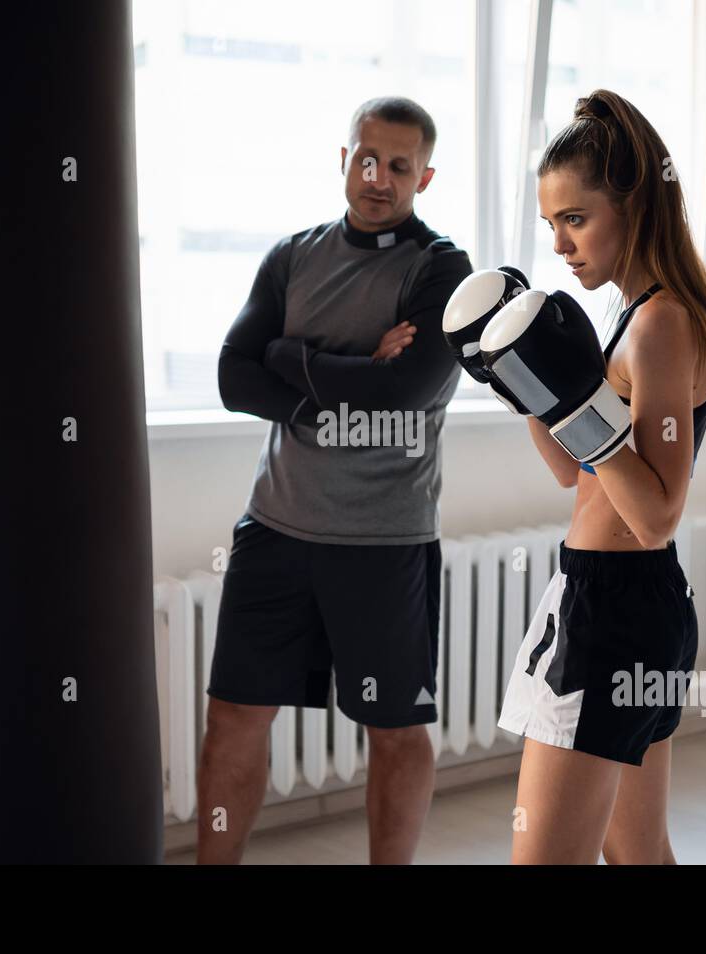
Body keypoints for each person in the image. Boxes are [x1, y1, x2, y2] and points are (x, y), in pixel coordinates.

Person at [197, 96, 473, 864]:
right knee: (233, 718)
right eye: (365, 157)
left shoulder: (441, 269)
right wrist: (345, 379)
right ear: (343, 157)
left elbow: (405, 392)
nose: (377, 176)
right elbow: (230, 377)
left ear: (425, 174)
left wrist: (292, 357)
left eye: (398, 165)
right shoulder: (293, 255)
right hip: (275, 527)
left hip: (384, 541)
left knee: (395, 731)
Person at [490, 90, 706, 864]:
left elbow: (657, 510)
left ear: (634, 204)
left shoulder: (662, 322)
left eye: (576, 218)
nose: (560, 243)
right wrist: (520, 381)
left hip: (616, 612)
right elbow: (573, 471)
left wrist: (568, 399)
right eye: (550, 224)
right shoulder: (634, 314)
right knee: (639, 855)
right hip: (629, 603)